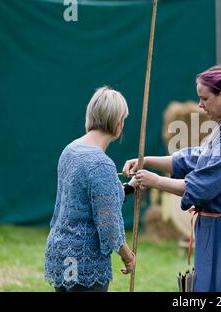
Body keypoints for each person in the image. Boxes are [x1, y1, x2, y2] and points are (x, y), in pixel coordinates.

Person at [123, 66, 221, 292]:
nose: (200, 104)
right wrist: (145, 160)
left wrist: (154, 181)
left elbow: (204, 184)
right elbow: (194, 159)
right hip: (220, 229)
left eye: (204, 98)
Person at [45, 86, 137, 292]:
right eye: (123, 119)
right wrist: (128, 256)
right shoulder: (101, 163)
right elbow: (109, 224)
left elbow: (91, 197)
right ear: (118, 122)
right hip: (83, 261)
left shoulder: (71, 150)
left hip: (62, 254)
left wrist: (129, 188)